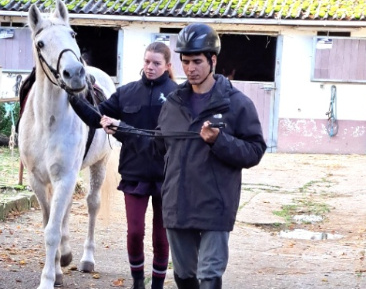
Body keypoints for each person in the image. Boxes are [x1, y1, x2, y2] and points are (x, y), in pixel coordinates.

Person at [101, 23, 267, 289]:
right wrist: (124, 131)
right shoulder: (173, 104)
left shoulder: (236, 104)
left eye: (197, 61)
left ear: (213, 60)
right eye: (186, 61)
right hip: (178, 205)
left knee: (209, 277)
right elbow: (158, 145)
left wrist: (219, 141)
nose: (190, 68)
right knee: (185, 277)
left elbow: (255, 150)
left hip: (215, 205)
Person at [69, 41, 178, 289]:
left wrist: (122, 130)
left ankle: (157, 285)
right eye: (147, 61)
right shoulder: (126, 92)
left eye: (156, 63)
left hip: (168, 176)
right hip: (135, 174)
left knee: (162, 238)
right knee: (135, 232)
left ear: (168, 66)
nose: (150, 67)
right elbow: (96, 117)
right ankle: (138, 281)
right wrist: (73, 97)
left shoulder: (178, 96)